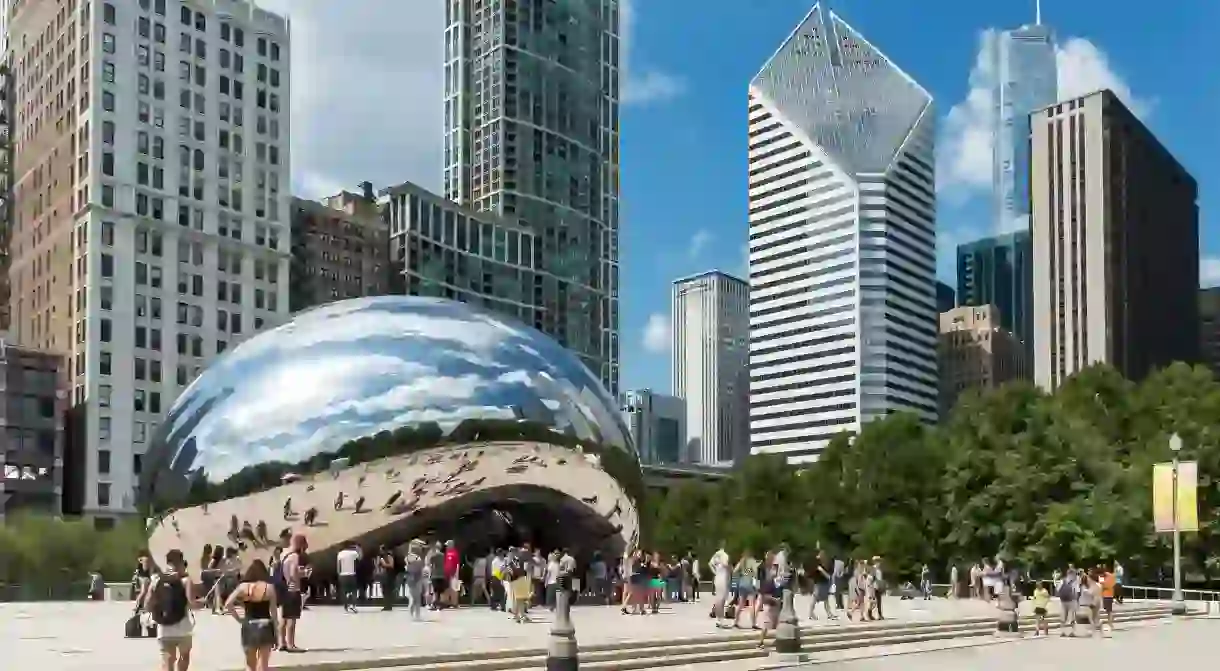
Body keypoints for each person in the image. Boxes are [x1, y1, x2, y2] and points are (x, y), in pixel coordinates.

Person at [145, 549, 198, 671]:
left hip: (163, 628)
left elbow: (147, 603)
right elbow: (192, 603)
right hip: (183, 628)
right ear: (180, 562)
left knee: (168, 660)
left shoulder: (156, 579)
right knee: (184, 657)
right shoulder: (185, 580)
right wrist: (202, 603)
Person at [223, 559, 279, 671]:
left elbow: (228, 604)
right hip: (265, 626)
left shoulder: (243, 587)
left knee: (250, 665)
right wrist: (276, 632)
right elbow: (274, 613)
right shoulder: (269, 588)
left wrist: (239, 619)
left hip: (249, 625)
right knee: (263, 665)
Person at [278, 534, 311, 653]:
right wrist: (304, 573)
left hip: (284, 589)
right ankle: (291, 645)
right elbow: (293, 574)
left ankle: (281, 643)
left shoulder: (284, 554)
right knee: (292, 618)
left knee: (284, 618)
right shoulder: (295, 556)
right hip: (293, 589)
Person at [336, 543, 360, 614]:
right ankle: (353, 605)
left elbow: (338, 566)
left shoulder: (340, 554)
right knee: (353, 591)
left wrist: (339, 574)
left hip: (343, 574)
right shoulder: (353, 553)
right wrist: (358, 549)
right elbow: (360, 557)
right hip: (352, 574)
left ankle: (346, 605)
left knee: (343, 591)